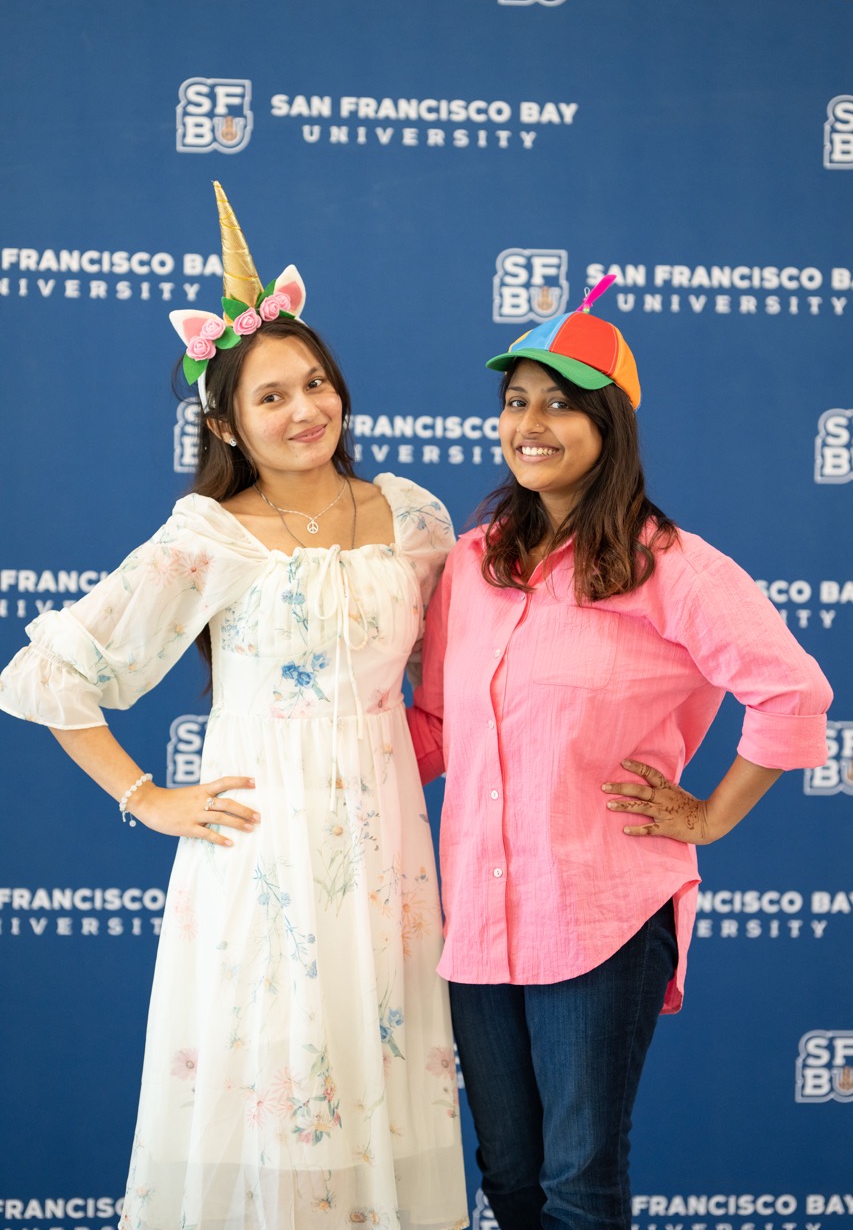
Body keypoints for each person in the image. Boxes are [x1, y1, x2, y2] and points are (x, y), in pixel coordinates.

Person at [0, 184, 468, 1230]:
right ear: (224, 420)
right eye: (271, 396)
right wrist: (144, 794)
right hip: (262, 864)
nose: (305, 410)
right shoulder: (210, 532)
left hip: (391, 861)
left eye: (316, 383)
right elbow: (50, 670)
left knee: (381, 1116)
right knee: (278, 1119)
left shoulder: (414, 517)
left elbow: (469, 680)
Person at [407, 281, 832, 1230]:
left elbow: (793, 691)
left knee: (577, 1180)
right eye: (515, 401)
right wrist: (308, 754)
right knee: (507, 1176)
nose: (531, 423)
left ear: (609, 423)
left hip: (599, 915)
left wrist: (711, 814)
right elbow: (433, 726)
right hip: (476, 920)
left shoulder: (668, 564)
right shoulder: (470, 565)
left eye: (559, 402)